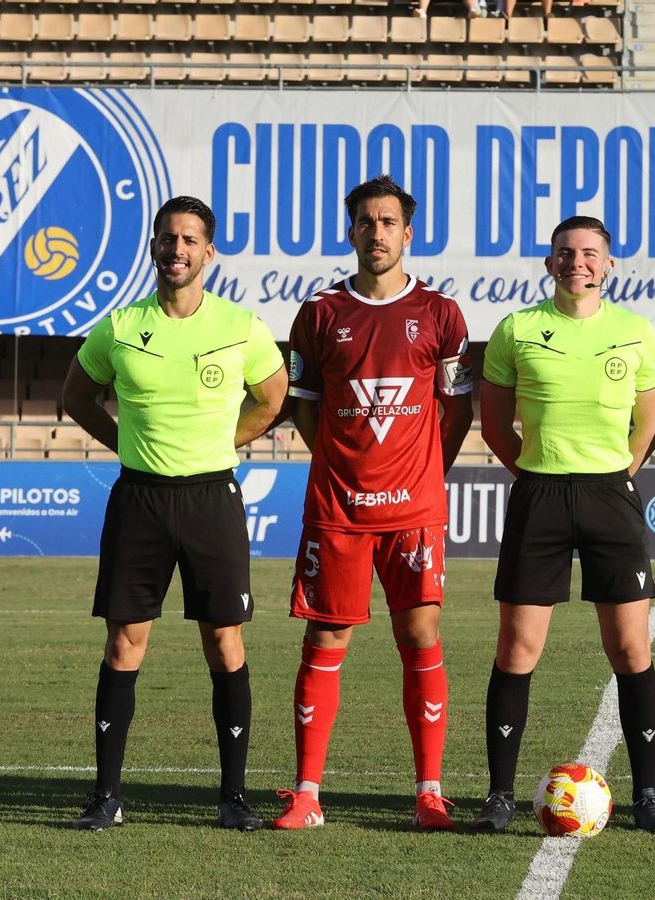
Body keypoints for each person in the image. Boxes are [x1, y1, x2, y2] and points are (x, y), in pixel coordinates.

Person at [62, 196, 288, 832]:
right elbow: (77, 395)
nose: (178, 249)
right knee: (124, 642)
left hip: (212, 497)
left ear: (209, 252)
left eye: (190, 239)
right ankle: (107, 797)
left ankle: (233, 797)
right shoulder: (121, 326)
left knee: (224, 641)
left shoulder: (241, 325)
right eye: (168, 238)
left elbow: (273, 400)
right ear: (154, 246)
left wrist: (223, 445)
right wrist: (124, 445)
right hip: (140, 499)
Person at [270, 176, 474, 832]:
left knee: (421, 635)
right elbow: (303, 408)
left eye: (389, 222)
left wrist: (419, 471)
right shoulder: (320, 314)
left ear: (407, 233)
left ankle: (429, 793)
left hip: (414, 511)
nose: (377, 232)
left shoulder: (441, 314)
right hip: (338, 510)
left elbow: (457, 409)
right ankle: (307, 795)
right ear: (351, 231)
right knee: (325, 637)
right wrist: (342, 459)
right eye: (366, 221)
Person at [467, 216, 655, 834]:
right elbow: (497, 422)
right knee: (517, 649)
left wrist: (615, 476)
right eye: (565, 252)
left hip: (611, 497)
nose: (576, 262)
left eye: (589, 253)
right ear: (549, 262)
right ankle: (500, 797)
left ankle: (648, 796)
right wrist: (536, 474)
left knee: (631, 648)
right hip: (540, 497)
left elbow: (647, 424)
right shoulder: (518, 330)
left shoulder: (636, 332)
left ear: (609, 265)